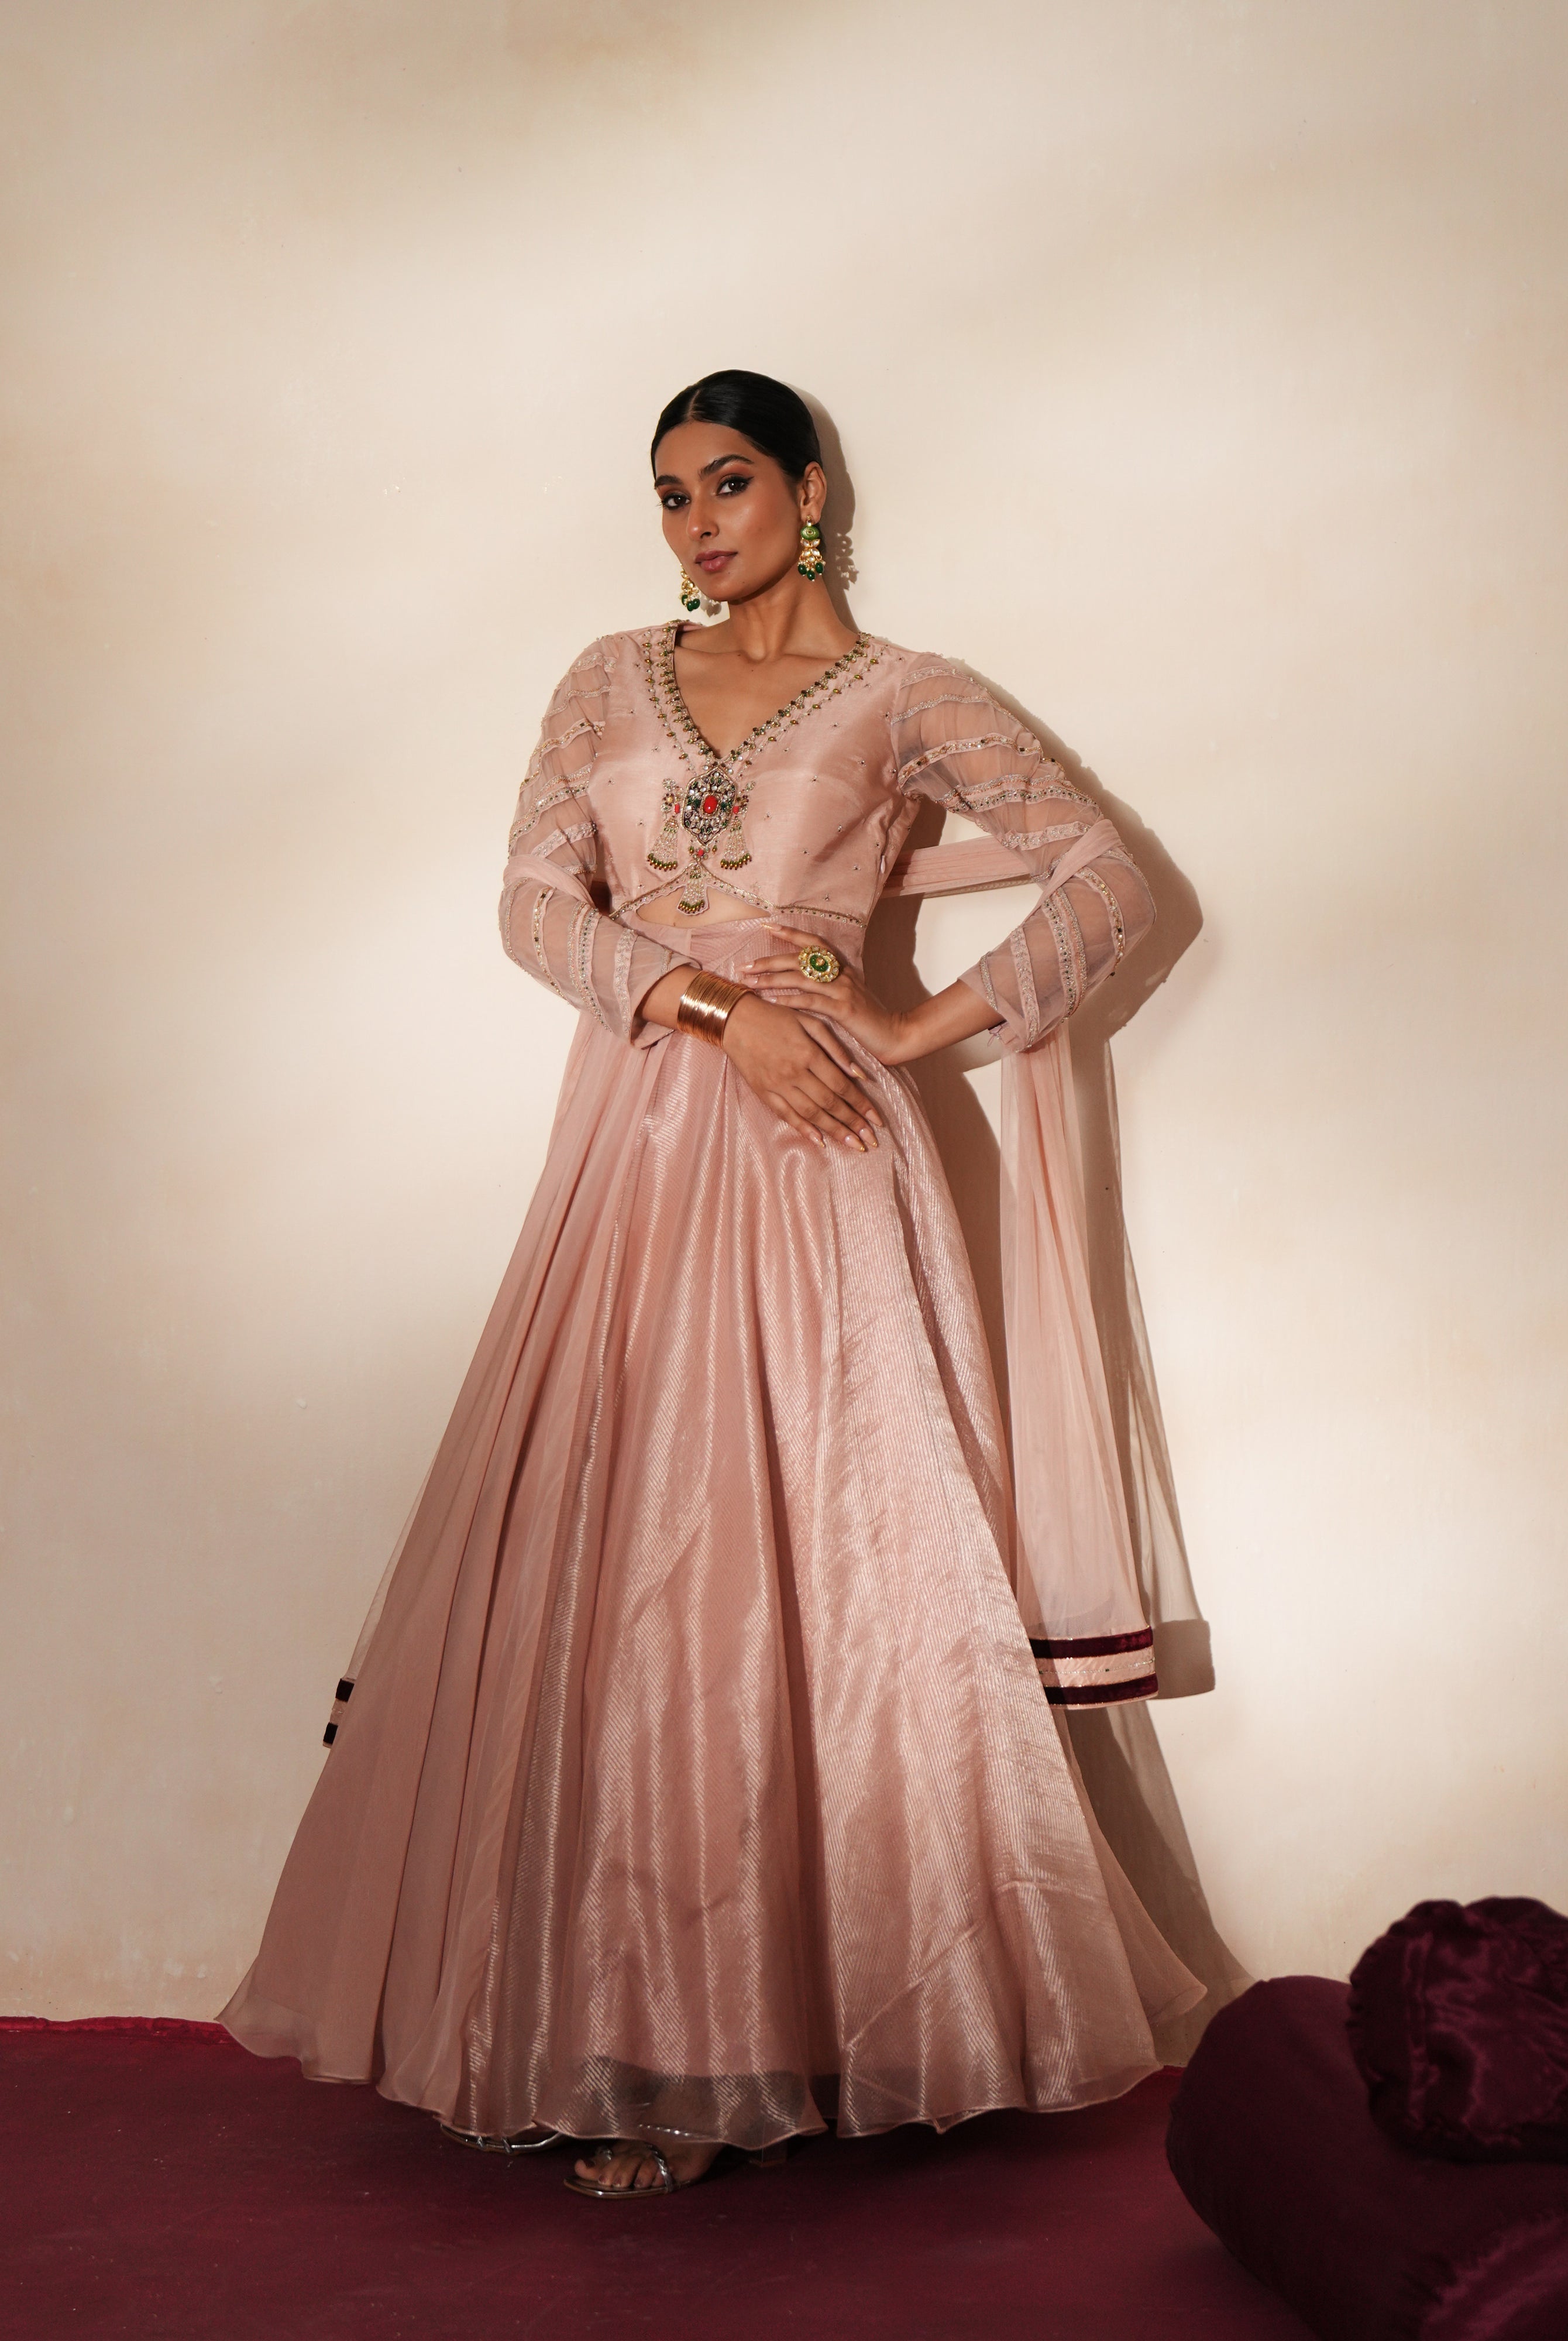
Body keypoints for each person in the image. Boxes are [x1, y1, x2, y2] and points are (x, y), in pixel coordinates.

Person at [222, 369, 1203, 2199]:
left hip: (823, 1147)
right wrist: (712, 1006)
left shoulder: (915, 695)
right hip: (646, 1128)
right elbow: (535, 901)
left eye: (730, 481)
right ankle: (611, 2018)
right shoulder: (606, 677)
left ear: (810, 489)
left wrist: (913, 1020)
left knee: (809, 1549)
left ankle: (803, 2023)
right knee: (623, 1538)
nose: (698, 523)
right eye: (670, 494)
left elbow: (1106, 880)